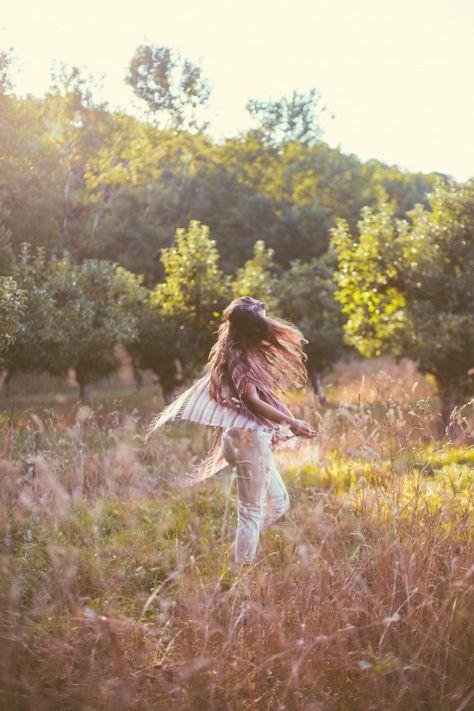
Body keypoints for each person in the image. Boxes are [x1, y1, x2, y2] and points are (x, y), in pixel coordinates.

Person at [145, 295, 317, 569]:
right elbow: (251, 399)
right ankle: (240, 572)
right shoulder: (240, 358)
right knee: (250, 512)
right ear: (253, 329)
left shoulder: (236, 351)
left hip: (242, 438)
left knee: (280, 502)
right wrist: (291, 422)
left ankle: (241, 552)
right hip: (246, 440)